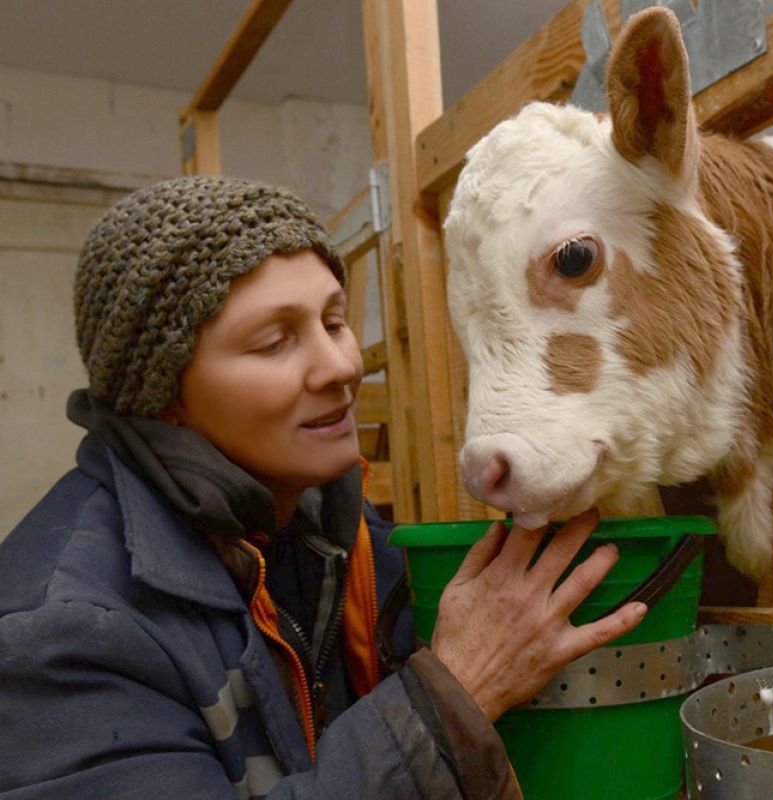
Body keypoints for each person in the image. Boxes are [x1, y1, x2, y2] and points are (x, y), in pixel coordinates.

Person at [0, 176, 647, 798]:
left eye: (334, 323)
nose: (341, 366)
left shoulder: (336, 536)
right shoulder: (59, 635)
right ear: (163, 395)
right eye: (276, 341)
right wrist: (456, 691)